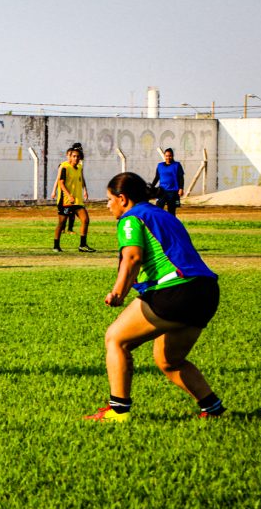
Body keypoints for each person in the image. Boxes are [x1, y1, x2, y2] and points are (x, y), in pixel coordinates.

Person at [86, 172, 224, 422]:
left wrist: (118, 292)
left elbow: (132, 257)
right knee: (169, 360)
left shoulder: (131, 218)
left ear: (122, 198)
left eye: (109, 199)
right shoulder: (163, 214)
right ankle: (211, 407)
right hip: (206, 291)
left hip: (176, 290)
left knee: (116, 339)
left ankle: (118, 410)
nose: (107, 205)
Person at [50, 145, 95, 252]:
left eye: (78, 156)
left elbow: (81, 179)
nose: (76, 158)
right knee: (62, 224)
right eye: (74, 156)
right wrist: (68, 195)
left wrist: (85, 190)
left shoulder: (79, 167)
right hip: (65, 201)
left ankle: (82, 245)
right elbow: (61, 183)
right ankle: (56, 246)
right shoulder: (65, 167)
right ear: (70, 157)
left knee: (85, 220)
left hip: (77, 200)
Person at [152, 148, 185, 217]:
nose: (168, 157)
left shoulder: (177, 165)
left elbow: (180, 177)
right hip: (161, 191)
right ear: (164, 156)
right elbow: (157, 177)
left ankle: (172, 226)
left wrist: (181, 188)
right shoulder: (160, 165)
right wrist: (152, 186)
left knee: (171, 211)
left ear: (172, 156)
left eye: (170, 156)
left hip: (173, 192)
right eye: (166, 156)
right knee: (158, 209)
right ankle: (159, 224)